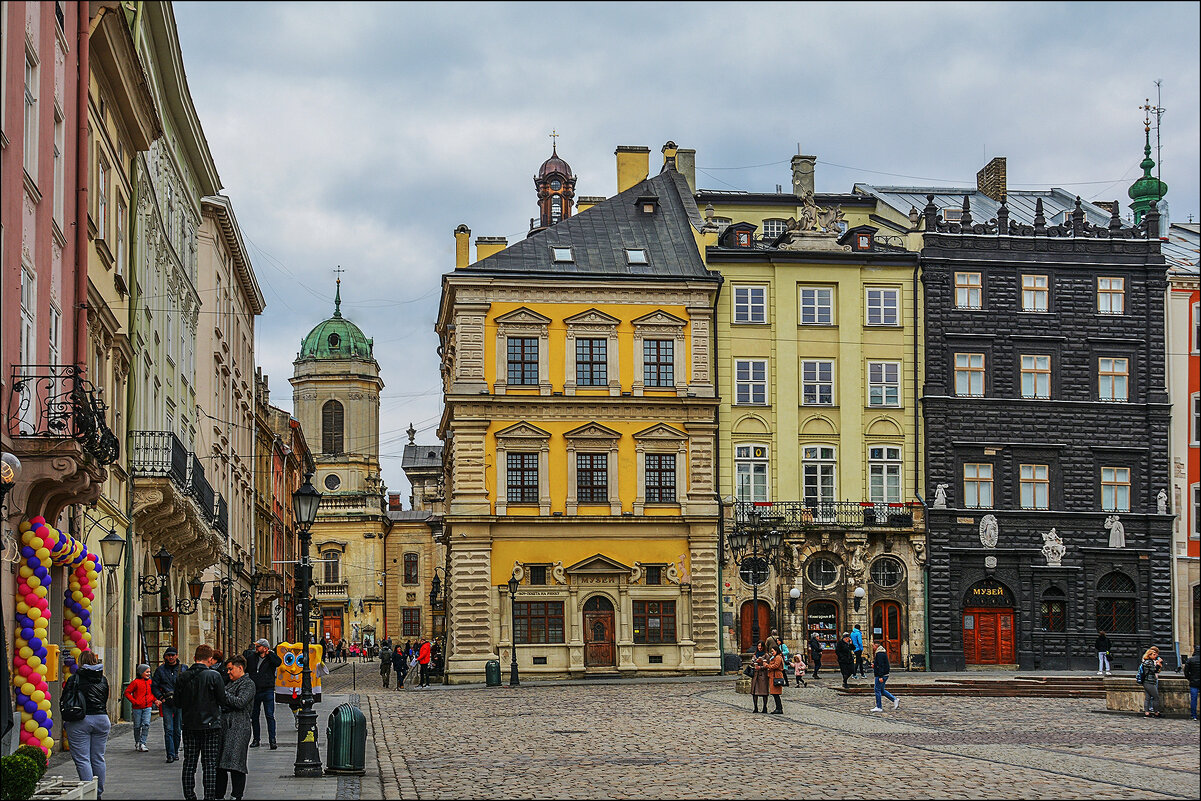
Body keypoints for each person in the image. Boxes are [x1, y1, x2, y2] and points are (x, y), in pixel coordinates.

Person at [176, 644, 231, 801]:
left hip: (189, 724)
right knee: (209, 765)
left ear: (194, 658)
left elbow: (178, 703)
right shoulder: (214, 676)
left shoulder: (183, 676)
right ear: (210, 659)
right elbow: (222, 699)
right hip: (211, 725)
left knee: (189, 763)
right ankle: (209, 796)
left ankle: (190, 795)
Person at [62, 651, 111, 800]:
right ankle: (98, 793)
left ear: (81, 662)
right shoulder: (103, 679)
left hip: (80, 720)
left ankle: (90, 793)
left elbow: (66, 699)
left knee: (83, 759)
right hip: (102, 719)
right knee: (98, 758)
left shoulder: (75, 678)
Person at [216, 655, 255, 801]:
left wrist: (223, 694)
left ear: (240, 668)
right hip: (224, 726)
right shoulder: (229, 683)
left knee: (236, 764)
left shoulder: (248, 684)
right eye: (227, 669)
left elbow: (240, 702)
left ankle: (236, 795)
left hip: (239, 727)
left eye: (231, 669)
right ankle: (218, 795)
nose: (228, 672)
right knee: (220, 764)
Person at [242, 638, 281, 750]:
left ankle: (272, 740)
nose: (256, 648)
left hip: (268, 689)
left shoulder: (271, 658)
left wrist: (270, 654)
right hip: (255, 690)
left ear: (265, 648)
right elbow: (247, 669)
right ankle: (256, 739)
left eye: (259, 646)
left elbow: (278, 662)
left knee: (269, 715)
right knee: (254, 716)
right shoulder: (252, 658)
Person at [152, 647, 184, 763]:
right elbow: (154, 686)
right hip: (167, 701)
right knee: (168, 728)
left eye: (173, 655)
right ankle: (170, 754)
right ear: (165, 656)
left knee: (177, 729)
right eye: (168, 655)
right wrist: (161, 697)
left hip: (179, 701)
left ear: (176, 655)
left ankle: (175, 752)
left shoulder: (183, 669)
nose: (171, 657)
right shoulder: (161, 670)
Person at [123, 663, 157, 752]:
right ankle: (137, 741)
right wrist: (135, 701)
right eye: (147, 672)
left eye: (149, 672)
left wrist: (154, 700)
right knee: (137, 726)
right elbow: (127, 692)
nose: (149, 674)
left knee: (146, 724)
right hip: (137, 708)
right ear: (141, 672)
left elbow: (153, 693)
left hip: (148, 706)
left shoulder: (151, 682)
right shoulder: (136, 682)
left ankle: (143, 743)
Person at [871, 639, 899, 712]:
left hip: (882, 675)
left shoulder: (879, 653)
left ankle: (879, 706)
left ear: (876, 646)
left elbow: (881, 665)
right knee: (882, 690)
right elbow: (880, 664)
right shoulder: (881, 652)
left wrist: (880, 676)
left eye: (873, 645)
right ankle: (894, 699)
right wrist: (875, 665)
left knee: (877, 690)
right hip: (884, 674)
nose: (872, 647)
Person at [1138, 646, 1163, 717]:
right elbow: (1154, 670)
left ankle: (1147, 712)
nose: (1156, 656)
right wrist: (1158, 665)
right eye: (1154, 655)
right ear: (1149, 655)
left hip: (1147, 681)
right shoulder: (1149, 662)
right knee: (1156, 697)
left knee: (1148, 697)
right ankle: (1156, 712)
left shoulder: (1147, 662)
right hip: (1149, 681)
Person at [750, 641, 769, 713]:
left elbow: (768, 665)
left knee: (764, 692)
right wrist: (754, 662)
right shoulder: (755, 655)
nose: (760, 648)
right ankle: (755, 707)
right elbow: (751, 663)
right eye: (758, 646)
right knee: (754, 692)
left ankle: (765, 707)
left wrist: (761, 666)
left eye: (761, 646)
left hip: (763, 675)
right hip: (755, 675)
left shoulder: (766, 655)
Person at [765, 645, 786, 714]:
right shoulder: (775, 657)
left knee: (776, 693)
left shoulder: (778, 657)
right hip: (773, 675)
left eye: (773, 651)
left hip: (776, 676)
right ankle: (778, 708)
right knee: (774, 693)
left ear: (776, 651)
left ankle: (779, 708)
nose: (772, 652)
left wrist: (767, 666)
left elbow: (776, 665)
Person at [1183, 645, 1200, 721]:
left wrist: (1189, 678)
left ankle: (1194, 715)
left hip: (1193, 682)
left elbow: (1186, 671)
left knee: (1194, 699)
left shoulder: (1190, 660)